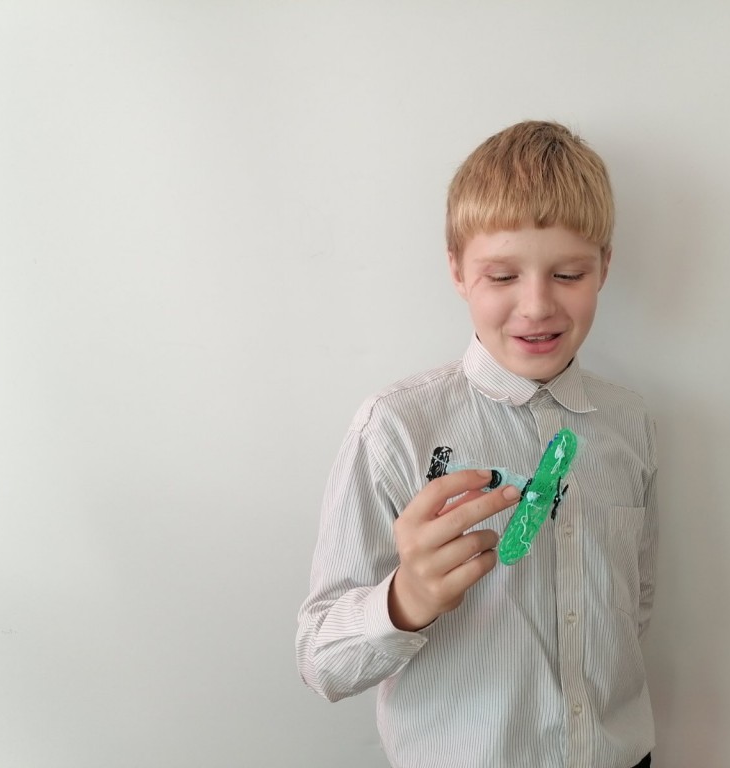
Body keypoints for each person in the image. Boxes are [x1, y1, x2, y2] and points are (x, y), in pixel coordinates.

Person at [296, 120, 657, 768]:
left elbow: (636, 602)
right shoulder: (395, 428)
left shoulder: (629, 423)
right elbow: (321, 659)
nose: (536, 306)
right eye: (501, 276)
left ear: (604, 267)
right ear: (458, 271)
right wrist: (405, 601)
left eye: (568, 273)